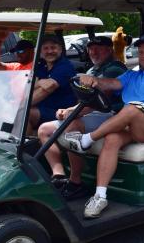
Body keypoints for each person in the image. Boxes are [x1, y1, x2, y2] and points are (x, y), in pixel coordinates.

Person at [65, 33, 144, 218]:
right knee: (112, 138)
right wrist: (95, 81)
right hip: (135, 125)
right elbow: (112, 83)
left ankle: (86, 140)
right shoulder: (132, 75)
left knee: (132, 108)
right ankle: (100, 195)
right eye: (141, 51)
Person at [37, 36, 127, 198]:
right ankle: (59, 176)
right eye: (91, 49)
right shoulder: (92, 70)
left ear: (109, 50)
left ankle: (76, 182)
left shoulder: (114, 68)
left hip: (112, 115)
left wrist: (72, 112)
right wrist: (67, 110)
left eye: (99, 49)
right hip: (93, 113)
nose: (94, 52)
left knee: (71, 126)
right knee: (44, 130)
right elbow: (82, 100)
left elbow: (98, 101)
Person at [29, 35, 77, 134]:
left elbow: (48, 87)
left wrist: (22, 105)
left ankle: (27, 148)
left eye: (53, 48)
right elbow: (30, 85)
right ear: (41, 51)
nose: (50, 51)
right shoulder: (42, 65)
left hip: (61, 112)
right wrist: (40, 82)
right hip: (44, 109)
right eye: (46, 48)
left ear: (60, 50)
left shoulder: (65, 66)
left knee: (24, 113)